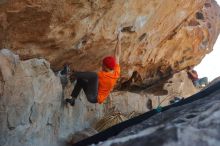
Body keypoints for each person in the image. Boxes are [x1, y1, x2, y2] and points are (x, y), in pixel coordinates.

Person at [65, 32, 122, 106]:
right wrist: (119, 39)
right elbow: (117, 55)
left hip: (93, 98)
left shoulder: (102, 75)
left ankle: (70, 74)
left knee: (94, 76)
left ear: (105, 67)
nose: (101, 66)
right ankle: (72, 100)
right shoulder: (116, 72)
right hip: (94, 93)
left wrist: (76, 74)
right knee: (81, 81)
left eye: (103, 65)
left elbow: (90, 76)